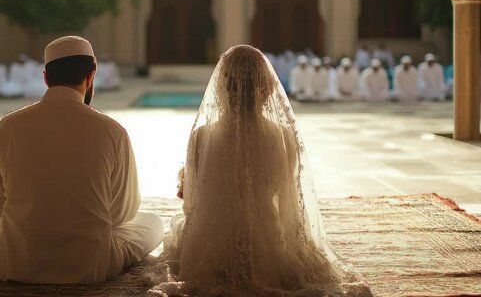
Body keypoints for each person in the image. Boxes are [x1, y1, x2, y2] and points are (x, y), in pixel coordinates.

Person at [158, 45, 370, 296]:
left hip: (213, 243)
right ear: (267, 89)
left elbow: (192, 204)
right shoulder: (283, 137)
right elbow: (286, 198)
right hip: (267, 242)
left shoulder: (202, 136)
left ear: (223, 88)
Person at [0, 36, 163, 284]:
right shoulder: (112, 130)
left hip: (21, 260)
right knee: (152, 223)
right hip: (89, 263)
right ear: (91, 75)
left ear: (46, 78)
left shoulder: (7, 126)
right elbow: (123, 212)